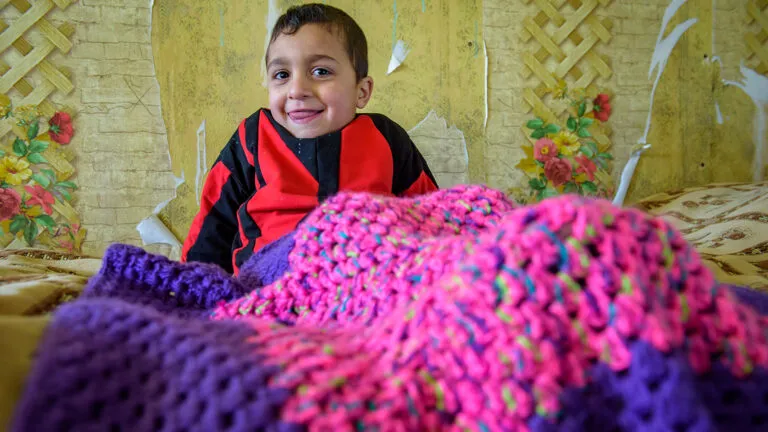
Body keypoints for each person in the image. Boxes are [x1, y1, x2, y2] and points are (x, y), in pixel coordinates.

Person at [181, 3, 438, 274]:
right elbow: (212, 228)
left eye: (320, 72)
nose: (297, 90)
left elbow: (434, 215)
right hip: (266, 286)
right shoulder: (252, 137)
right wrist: (194, 293)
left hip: (366, 282)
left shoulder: (386, 137)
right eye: (282, 75)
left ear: (361, 91)